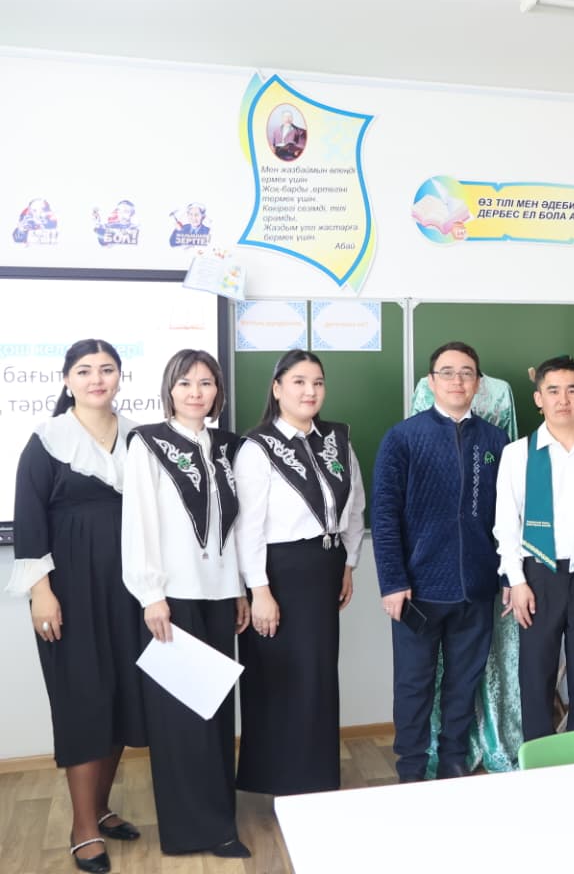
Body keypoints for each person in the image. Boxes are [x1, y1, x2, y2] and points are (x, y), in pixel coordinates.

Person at [6, 339, 146, 873]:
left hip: (130, 589)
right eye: (84, 370)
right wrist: (41, 592)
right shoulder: (46, 441)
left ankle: (102, 808)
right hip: (69, 591)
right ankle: (82, 826)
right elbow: (29, 521)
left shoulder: (138, 437)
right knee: (83, 701)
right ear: (67, 379)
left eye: (106, 369)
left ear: (120, 377)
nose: (96, 379)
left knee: (122, 697)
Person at [120, 350, 251, 858]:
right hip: (172, 598)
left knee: (216, 715)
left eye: (206, 383)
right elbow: (140, 523)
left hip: (219, 595)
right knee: (181, 721)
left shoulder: (227, 446)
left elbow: (233, 528)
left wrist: (237, 588)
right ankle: (192, 831)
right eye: (185, 383)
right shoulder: (148, 443)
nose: (196, 393)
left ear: (218, 390)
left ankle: (220, 822)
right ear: (169, 390)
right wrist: (151, 595)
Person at [372, 341, 508, 782]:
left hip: (476, 588)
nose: (457, 381)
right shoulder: (402, 438)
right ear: (431, 382)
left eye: (466, 373)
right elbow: (384, 515)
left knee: (463, 684)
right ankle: (411, 769)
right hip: (418, 591)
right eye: (447, 372)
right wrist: (393, 581)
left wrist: (506, 576)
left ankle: (453, 763)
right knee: (414, 685)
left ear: (478, 383)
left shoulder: (496, 441)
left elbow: (509, 518)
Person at [233, 350, 366, 795]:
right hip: (279, 574)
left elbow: (355, 507)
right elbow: (248, 527)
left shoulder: (337, 438)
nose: (310, 391)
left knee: (318, 679)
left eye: (318, 383)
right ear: (277, 389)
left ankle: (316, 781)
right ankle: (279, 782)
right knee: (280, 678)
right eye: (299, 382)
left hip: (325, 569)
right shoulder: (257, 447)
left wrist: (348, 562)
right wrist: (259, 591)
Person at [494, 355, 574, 740]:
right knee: (536, 672)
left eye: (572, 390)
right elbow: (506, 524)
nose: (562, 399)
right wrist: (516, 580)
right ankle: (539, 756)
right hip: (538, 574)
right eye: (553, 391)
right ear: (539, 399)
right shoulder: (518, 453)